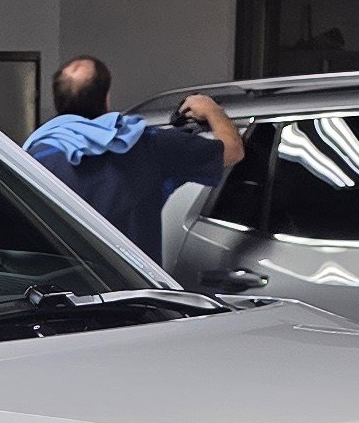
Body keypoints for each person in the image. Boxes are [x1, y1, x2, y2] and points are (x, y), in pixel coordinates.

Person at [22, 56, 240, 266]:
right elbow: (232, 151)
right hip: (133, 294)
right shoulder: (147, 144)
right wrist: (211, 109)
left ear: (57, 102)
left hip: (62, 293)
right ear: (106, 98)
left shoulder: (32, 159)